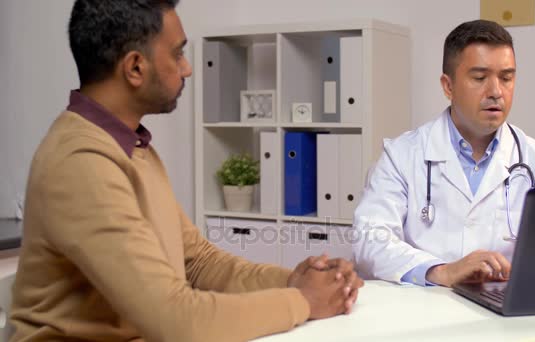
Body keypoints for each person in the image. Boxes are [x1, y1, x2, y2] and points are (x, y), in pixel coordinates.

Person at [10, 1, 363, 341]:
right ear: (135, 67)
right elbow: (178, 322)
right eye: (178, 53)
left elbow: (199, 263)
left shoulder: (131, 148)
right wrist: (304, 301)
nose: (188, 68)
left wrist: (298, 281)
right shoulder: (82, 163)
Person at [352, 20, 535, 288]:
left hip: (508, 312)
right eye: (479, 78)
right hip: (425, 310)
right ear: (448, 86)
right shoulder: (401, 156)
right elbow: (370, 240)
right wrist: (440, 271)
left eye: (506, 78)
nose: (496, 92)